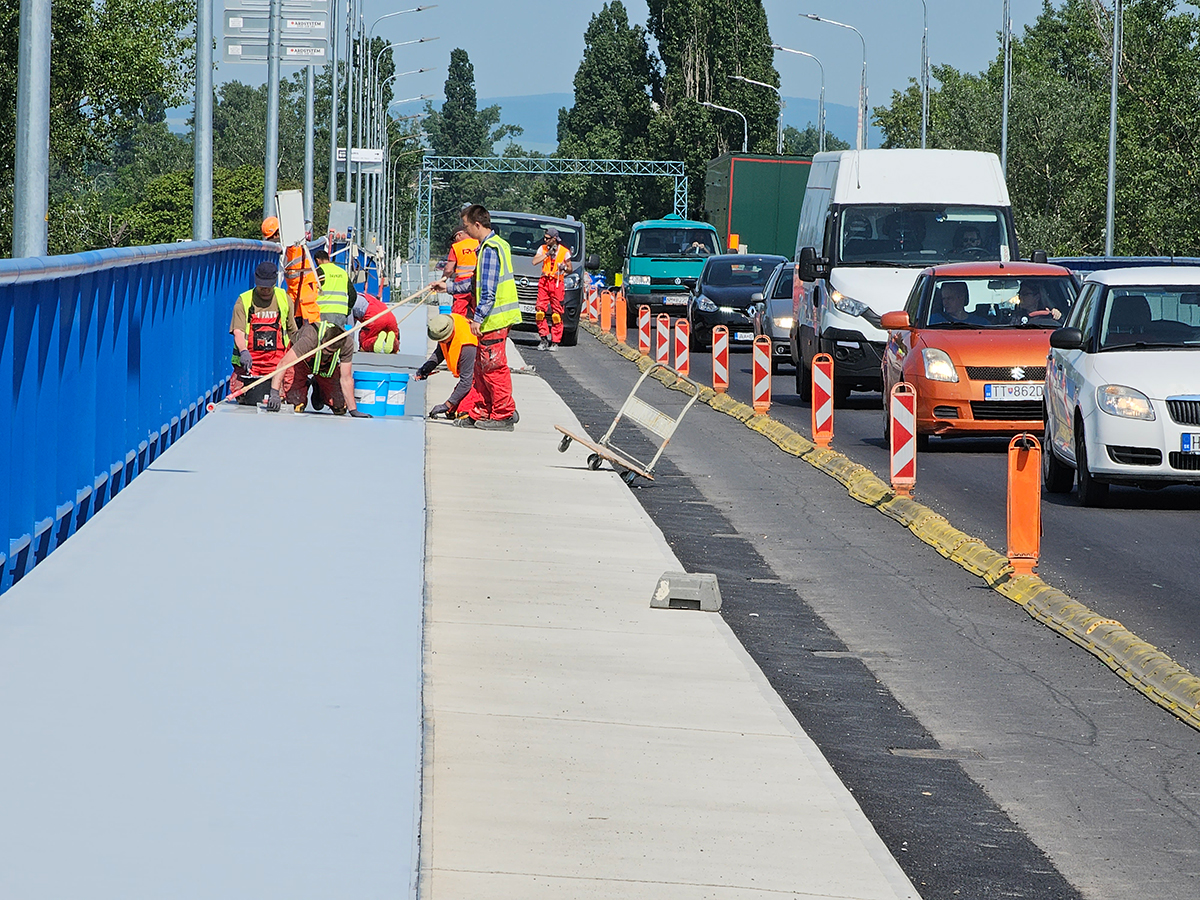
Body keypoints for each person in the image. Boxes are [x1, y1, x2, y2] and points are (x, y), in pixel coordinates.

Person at [428, 203, 522, 430]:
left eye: (467, 225)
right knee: (482, 370)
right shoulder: (493, 246)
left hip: (494, 320)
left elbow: (488, 291)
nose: (465, 230)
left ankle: (503, 414)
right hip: (492, 319)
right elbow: (474, 284)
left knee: (493, 369)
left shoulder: (490, 249)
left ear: (477, 224)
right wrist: (447, 287)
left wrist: (478, 319)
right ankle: (481, 411)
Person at [265, 250, 371, 416]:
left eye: (331, 353)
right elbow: (284, 363)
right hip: (304, 360)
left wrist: (354, 410)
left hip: (327, 359)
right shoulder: (310, 338)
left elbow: (346, 377)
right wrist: (274, 392)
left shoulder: (346, 343)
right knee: (296, 406)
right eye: (326, 351)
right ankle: (300, 389)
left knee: (339, 408)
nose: (328, 354)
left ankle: (320, 387)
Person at [228, 261, 303, 406]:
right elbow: (238, 331)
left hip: (278, 364)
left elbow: (293, 330)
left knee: (291, 396)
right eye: (262, 285)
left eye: (269, 286)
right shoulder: (244, 301)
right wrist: (243, 351)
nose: (265, 290)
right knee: (242, 397)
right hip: (250, 364)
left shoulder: (284, 299)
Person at [413, 313, 482, 419]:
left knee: (464, 412)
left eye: (443, 340)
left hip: (480, 377)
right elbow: (440, 352)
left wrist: (446, 405)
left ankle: (490, 406)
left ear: (450, 333)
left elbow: (466, 382)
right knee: (452, 411)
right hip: (470, 377)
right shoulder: (446, 324)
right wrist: (426, 368)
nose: (441, 342)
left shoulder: (467, 345)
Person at [263, 216, 321, 327]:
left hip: (304, 288)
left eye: (272, 238)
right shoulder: (288, 246)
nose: (272, 241)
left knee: (311, 326)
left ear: (278, 233)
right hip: (295, 289)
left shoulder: (293, 244)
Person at [531, 226, 572, 351]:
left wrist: (563, 268)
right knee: (539, 312)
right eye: (545, 238)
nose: (545, 240)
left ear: (554, 239)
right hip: (544, 282)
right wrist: (547, 254)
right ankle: (543, 338)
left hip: (557, 283)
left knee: (556, 314)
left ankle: (555, 342)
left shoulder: (564, 251)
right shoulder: (542, 249)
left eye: (548, 238)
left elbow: (570, 269)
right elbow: (534, 262)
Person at [445, 228, 480, 318]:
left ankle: (458, 329)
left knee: (458, 311)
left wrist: (443, 280)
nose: (454, 241)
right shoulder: (479, 243)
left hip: (461, 282)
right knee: (477, 311)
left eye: (454, 238)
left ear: (459, 235)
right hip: (477, 281)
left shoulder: (456, 247)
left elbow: (449, 269)